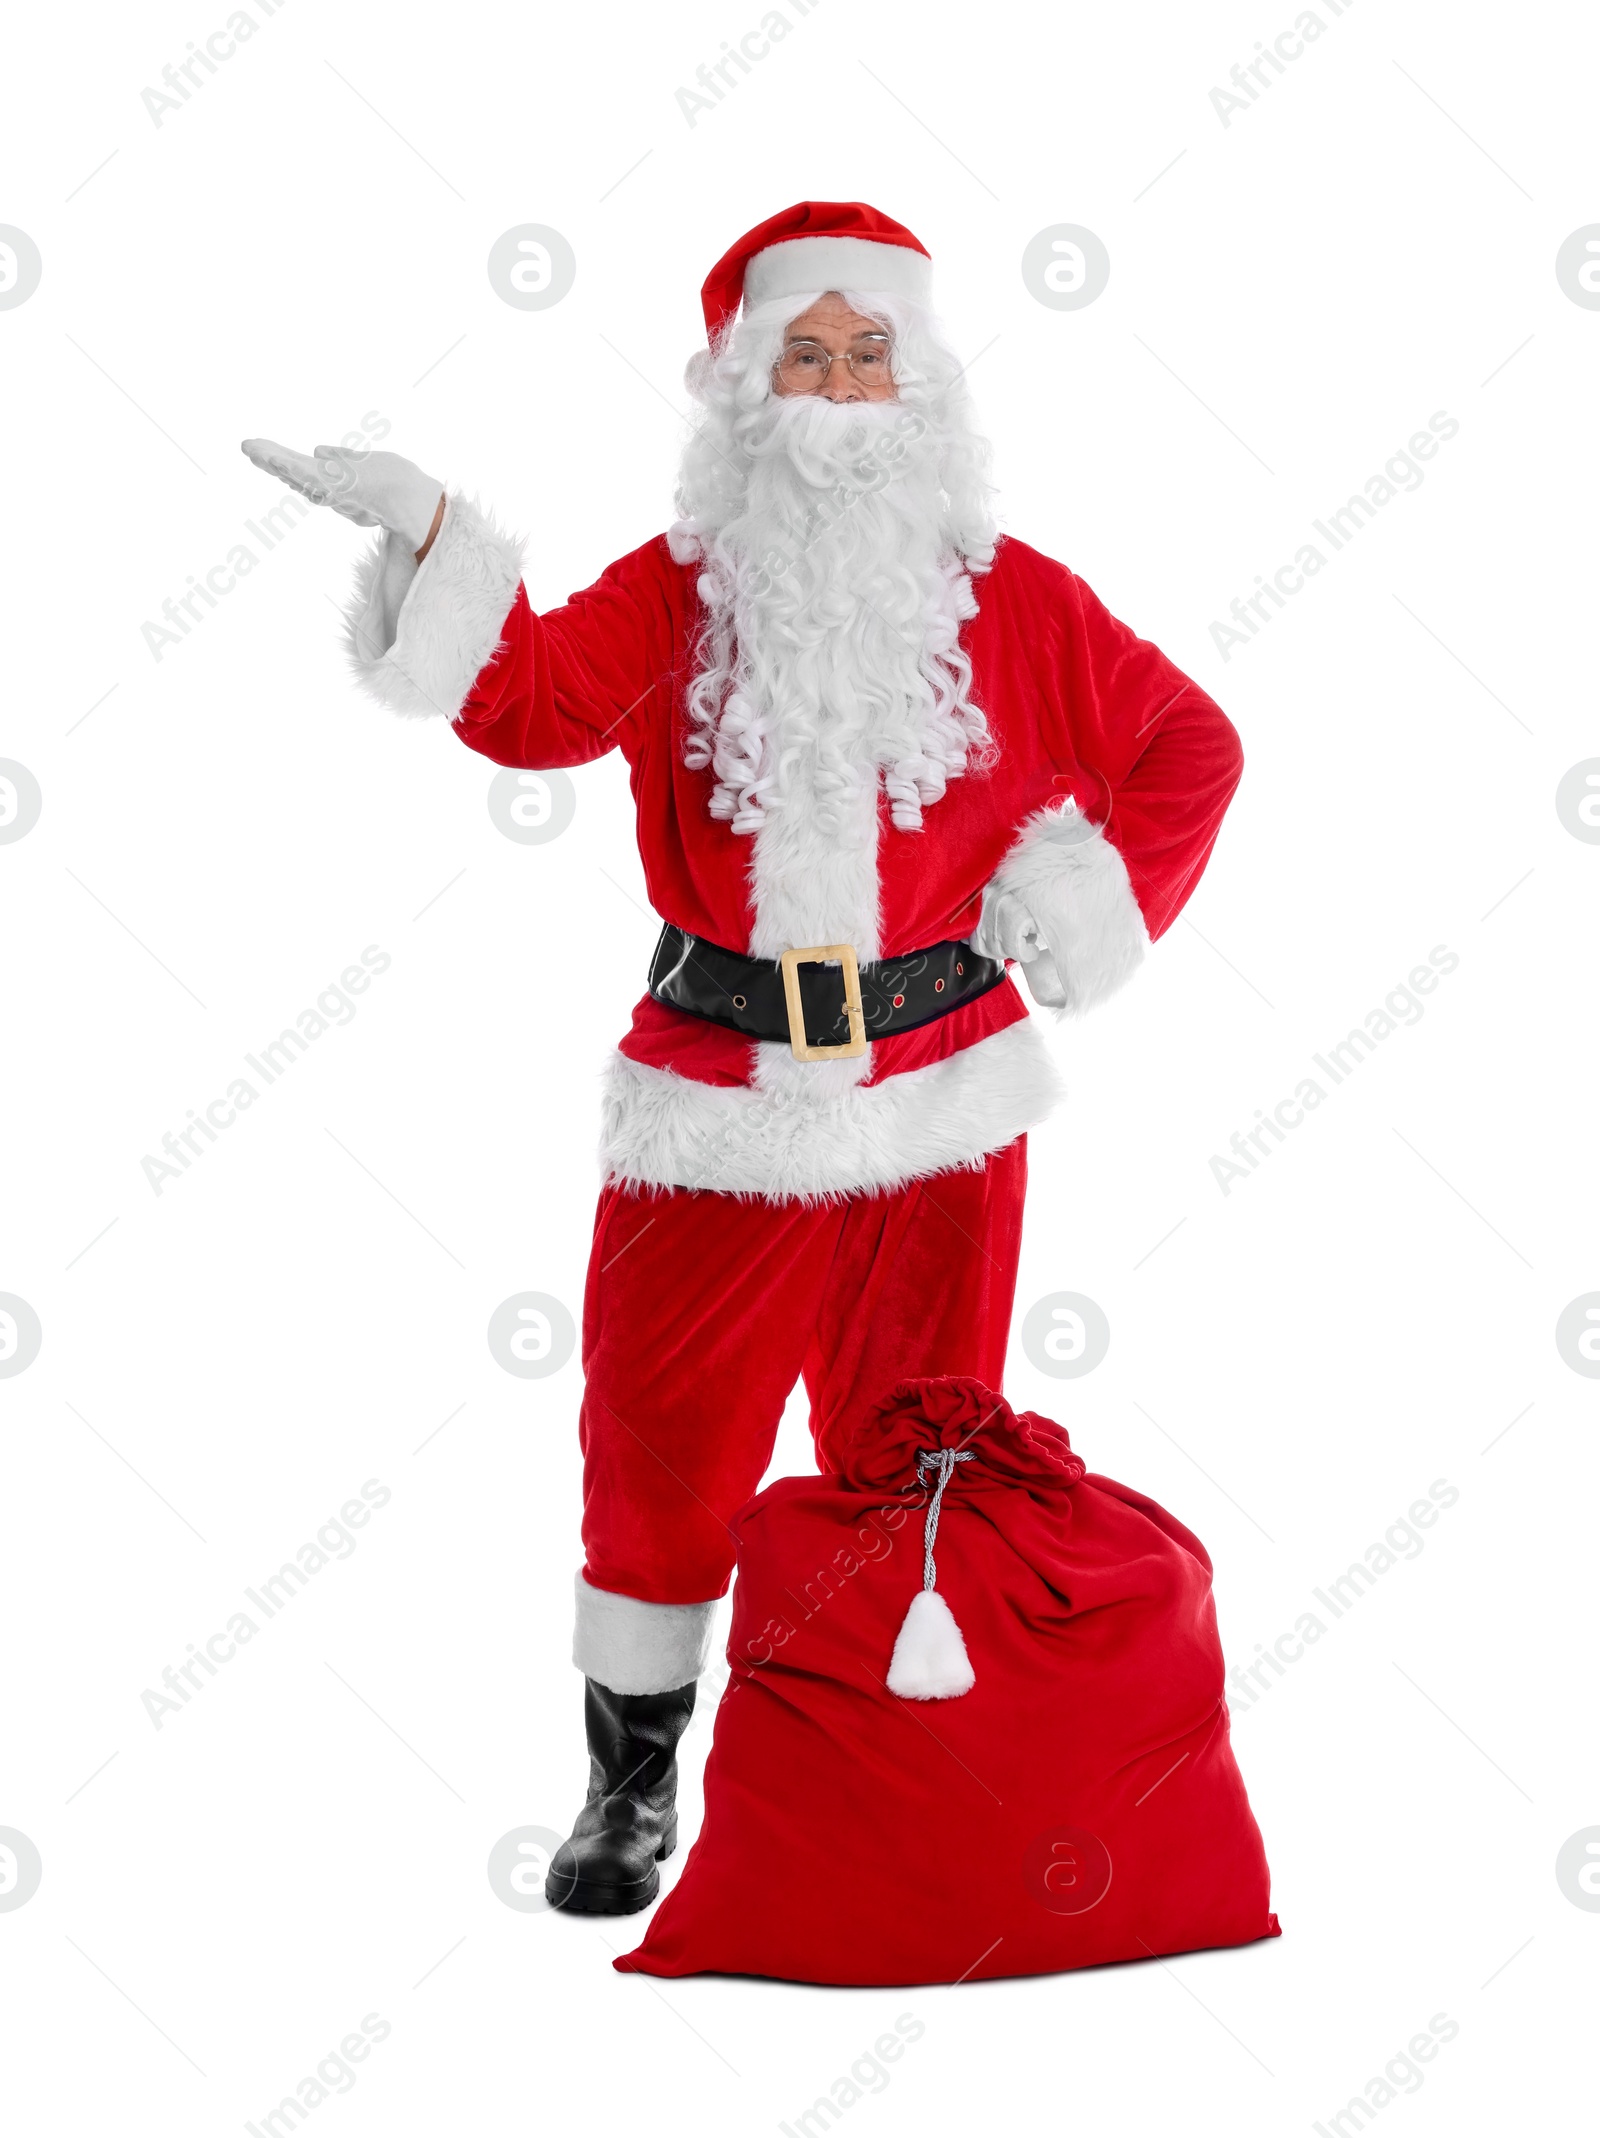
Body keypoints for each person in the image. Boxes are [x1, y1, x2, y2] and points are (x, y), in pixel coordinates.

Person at [243, 199, 1243, 1917]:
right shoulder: (683, 587)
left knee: (918, 1445)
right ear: (744, 388)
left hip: (945, 1103)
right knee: (656, 1440)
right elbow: (540, 703)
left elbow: (1189, 745)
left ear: (921, 387)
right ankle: (630, 1791)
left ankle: (891, 1768)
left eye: (872, 355)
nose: (843, 388)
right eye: (808, 354)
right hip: (713, 1098)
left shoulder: (1016, 601)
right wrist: (430, 532)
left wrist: (1083, 890)